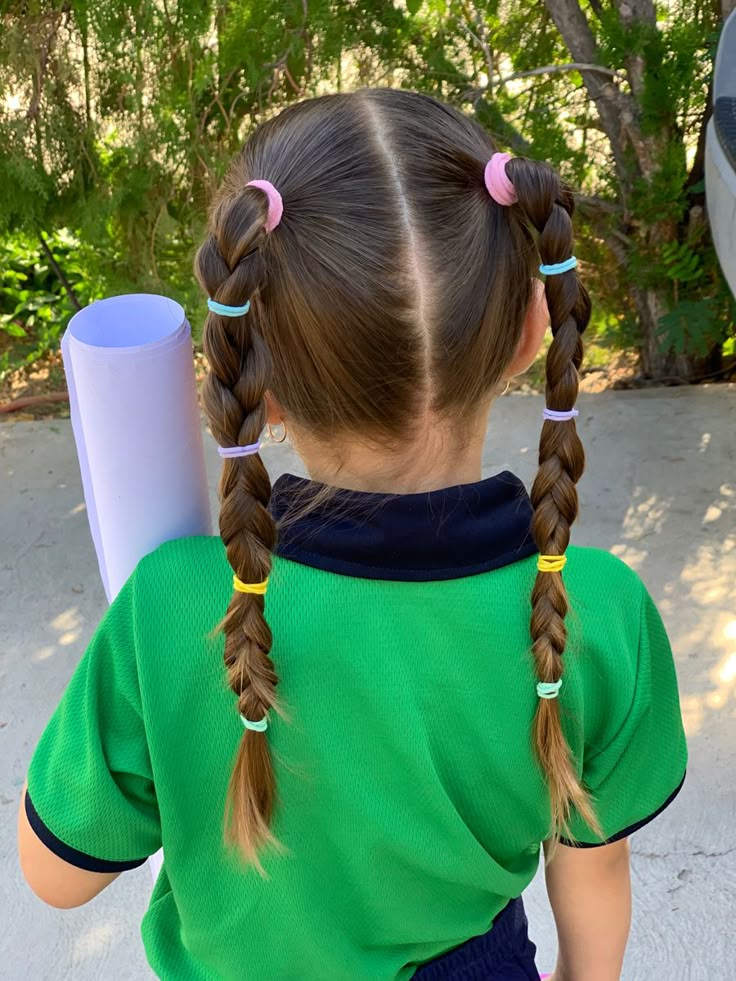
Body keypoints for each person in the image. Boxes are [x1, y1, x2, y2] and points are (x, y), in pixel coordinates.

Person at [18, 89, 687, 981]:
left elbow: (56, 878)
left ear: (257, 378)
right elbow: (593, 865)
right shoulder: (594, 608)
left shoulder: (170, 604)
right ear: (534, 328)